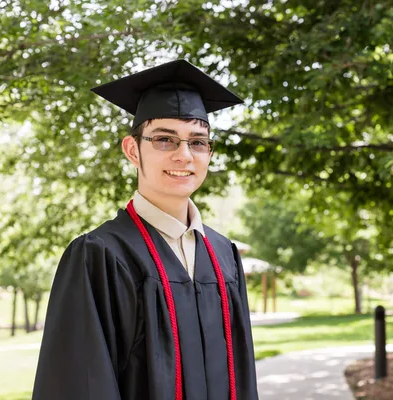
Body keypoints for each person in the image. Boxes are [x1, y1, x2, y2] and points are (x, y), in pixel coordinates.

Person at [32, 60, 258, 400]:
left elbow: (242, 377)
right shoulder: (99, 255)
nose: (185, 156)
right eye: (165, 140)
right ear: (132, 149)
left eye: (198, 142)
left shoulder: (224, 255)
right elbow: (81, 383)